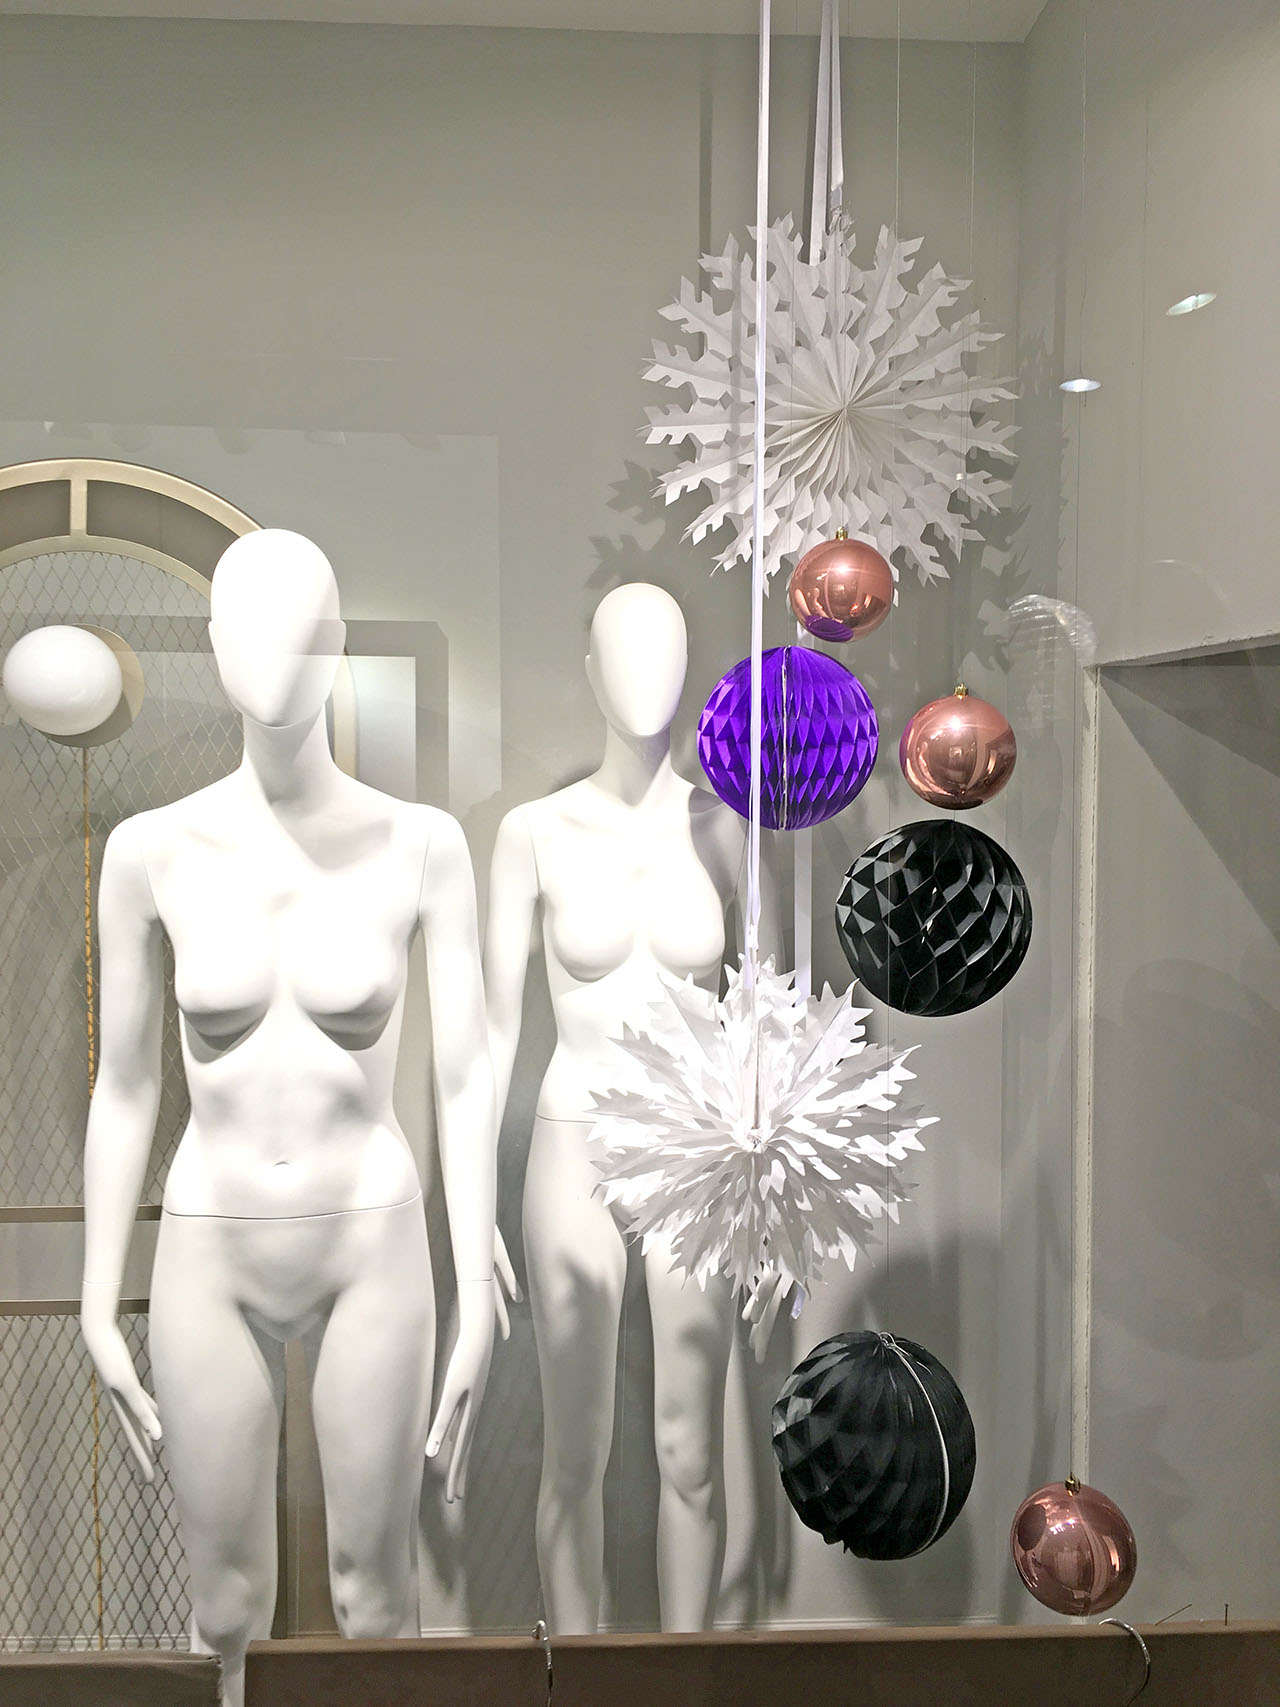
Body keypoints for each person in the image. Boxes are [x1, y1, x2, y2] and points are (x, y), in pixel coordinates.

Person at [80, 529, 495, 1706]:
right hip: (210, 1241)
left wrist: (473, 1287)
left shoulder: (420, 845)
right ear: (215, 648)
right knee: (222, 1608)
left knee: (376, 1595)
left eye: (302, 630)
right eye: (251, 632)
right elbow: (124, 1085)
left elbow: (465, 1075)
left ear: (338, 645)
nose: (274, 659)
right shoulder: (149, 851)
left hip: (369, 1235)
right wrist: (100, 1299)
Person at [484, 581, 752, 1633]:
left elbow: (770, 1017)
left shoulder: (728, 828)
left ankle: (689, 1681)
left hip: (694, 1148)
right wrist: (472, 1206)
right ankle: (579, 1683)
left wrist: (767, 1195)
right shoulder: (533, 834)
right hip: (573, 1145)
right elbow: (489, 1037)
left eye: (666, 652)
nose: (645, 677)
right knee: (574, 1453)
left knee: (691, 1452)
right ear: (589, 675)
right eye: (623, 653)